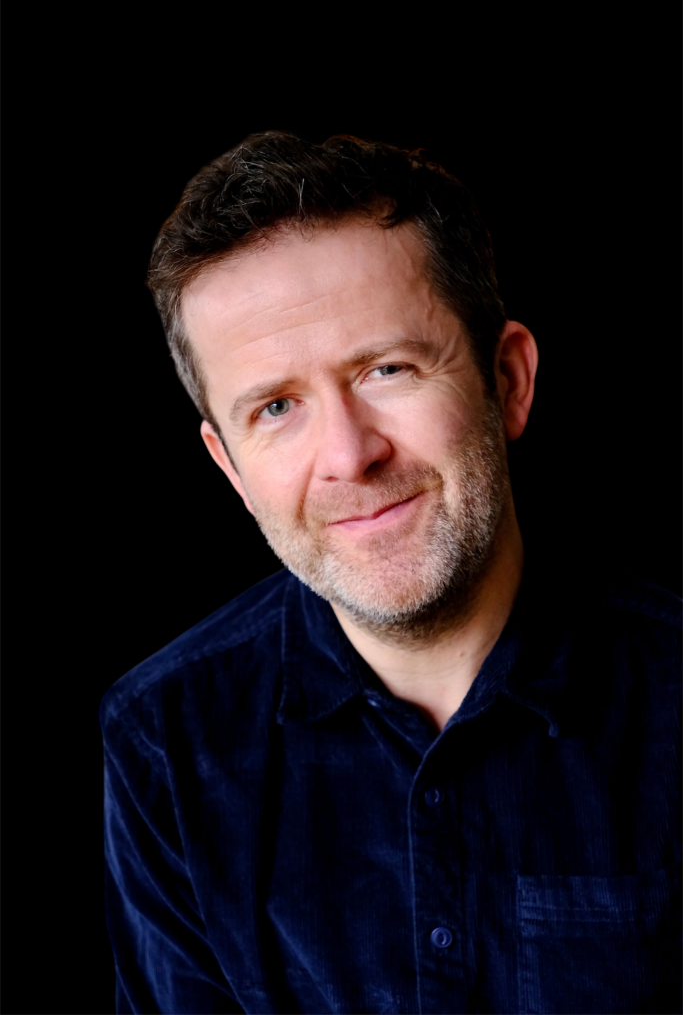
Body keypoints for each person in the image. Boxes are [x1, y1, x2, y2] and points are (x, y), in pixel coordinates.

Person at [100, 132, 682, 1014]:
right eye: (276, 407)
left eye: (386, 369)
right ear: (230, 468)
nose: (348, 455)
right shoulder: (164, 740)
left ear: (507, 380)